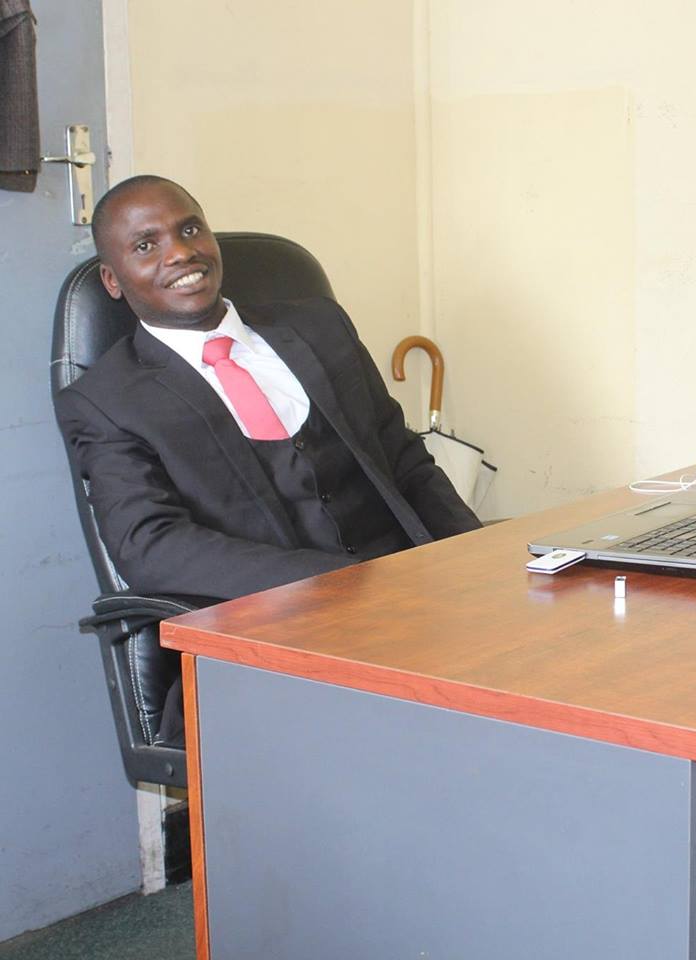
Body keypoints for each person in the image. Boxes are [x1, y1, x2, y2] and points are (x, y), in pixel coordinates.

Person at [55, 175, 482, 742]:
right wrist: (336, 585)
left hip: (414, 605)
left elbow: (404, 458)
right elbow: (149, 544)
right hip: (268, 637)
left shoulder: (320, 326)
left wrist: (480, 564)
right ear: (113, 280)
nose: (180, 252)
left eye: (190, 229)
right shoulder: (107, 400)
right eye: (146, 245)